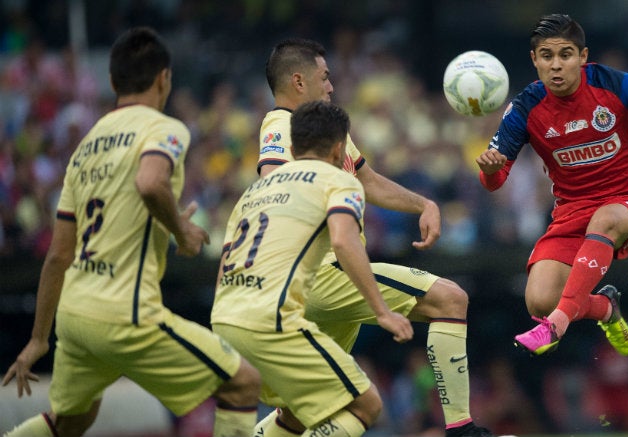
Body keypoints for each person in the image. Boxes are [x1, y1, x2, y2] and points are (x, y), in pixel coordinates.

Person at [1, 27, 260, 437]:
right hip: (125, 313)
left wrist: (38, 338)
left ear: (111, 82)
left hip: (74, 315)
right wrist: (181, 231)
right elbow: (150, 182)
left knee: (70, 420)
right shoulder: (165, 129)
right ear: (164, 78)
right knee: (243, 382)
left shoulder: (85, 149)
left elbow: (57, 256)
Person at [255, 38, 494, 437]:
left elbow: (367, 180)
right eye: (324, 77)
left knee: (299, 413)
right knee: (450, 299)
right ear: (298, 81)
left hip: (315, 283)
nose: (331, 86)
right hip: (321, 271)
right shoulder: (281, 124)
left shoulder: (326, 131)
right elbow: (273, 178)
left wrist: (422, 204)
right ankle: (462, 429)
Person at [476, 14, 628, 356]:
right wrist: (491, 170)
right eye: (547, 56)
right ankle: (605, 308)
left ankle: (557, 326)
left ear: (582, 58)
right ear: (534, 60)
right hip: (572, 211)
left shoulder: (611, 82)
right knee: (539, 301)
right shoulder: (525, 108)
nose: (556, 65)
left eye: (565, 55)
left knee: (605, 222)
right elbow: (493, 181)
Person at [211, 100, 413, 437]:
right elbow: (345, 242)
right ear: (339, 150)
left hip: (225, 319)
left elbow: (225, 263)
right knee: (366, 405)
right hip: (271, 319)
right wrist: (382, 311)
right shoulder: (337, 181)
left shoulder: (252, 194)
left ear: (291, 148)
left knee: (295, 414)